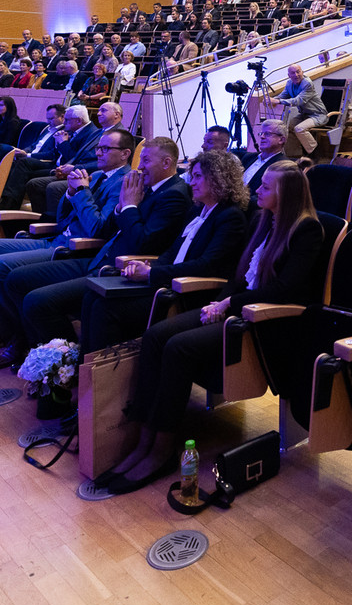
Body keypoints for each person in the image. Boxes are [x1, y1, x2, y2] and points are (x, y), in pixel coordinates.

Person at [92, 162, 324, 496]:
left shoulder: (306, 230)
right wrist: (220, 302)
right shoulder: (263, 220)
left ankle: (161, 450)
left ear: (286, 194)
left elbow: (284, 289)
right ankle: (143, 440)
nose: (257, 190)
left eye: (266, 187)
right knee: (156, 336)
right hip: (238, 308)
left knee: (179, 347)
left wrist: (228, 303)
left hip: (266, 322)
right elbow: (239, 275)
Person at [0, 130, 145, 365]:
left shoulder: (123, 183)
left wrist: (81, 191)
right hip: (55, 238)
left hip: (73, 249)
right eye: (98, 147)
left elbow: (97, 229)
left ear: (125, 153)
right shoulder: (96, 176)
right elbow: (61, 220)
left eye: (106, 149)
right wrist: (71, 192)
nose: (98, 152)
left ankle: (17, 336)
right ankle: (4, 326)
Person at [78, 149, 252, 354]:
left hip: (189, 291)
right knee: (91, 297)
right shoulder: (198, 210)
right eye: (192, 176)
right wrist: (148, 266)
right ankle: (84, 366)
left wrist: (152, 273)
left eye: (198, 176)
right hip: (168, 279)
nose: (192, 182)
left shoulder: (230, 217)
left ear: (218, 179)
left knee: (104, 308)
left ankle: (104, 369)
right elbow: (173, 252)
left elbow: (206, 265)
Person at [275, 65, 328, 156]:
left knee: (299, 129)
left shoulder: (307, 84)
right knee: (287, 127)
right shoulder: (289, 83)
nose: (296, 75)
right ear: (289, 75)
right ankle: (294, 155)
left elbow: (298, 101)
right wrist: (271, 99)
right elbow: (282, 96)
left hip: (318, 115)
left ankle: (314, 153)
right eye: (293, 73)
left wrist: (278, 101)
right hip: (304, 115)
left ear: (302, 72)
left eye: (298, 72)